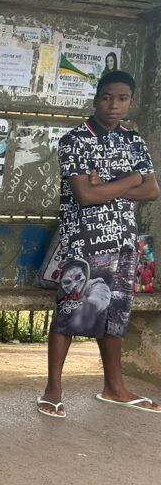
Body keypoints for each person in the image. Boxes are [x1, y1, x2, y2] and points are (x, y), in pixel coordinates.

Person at [37, 70, 159, 418]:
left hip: (123, 239)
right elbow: (85, 195)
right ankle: (53, 389)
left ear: (130, 102)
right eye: (107, 97)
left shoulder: (134, 141)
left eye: (122, 98)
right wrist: (131, 179)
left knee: (115, 312)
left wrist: (110, 183)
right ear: (96, 98)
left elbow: (152, 191)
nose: (114, 104)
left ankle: (114, 388)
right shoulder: (74, 140)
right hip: (83, 240)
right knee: (70, 311)